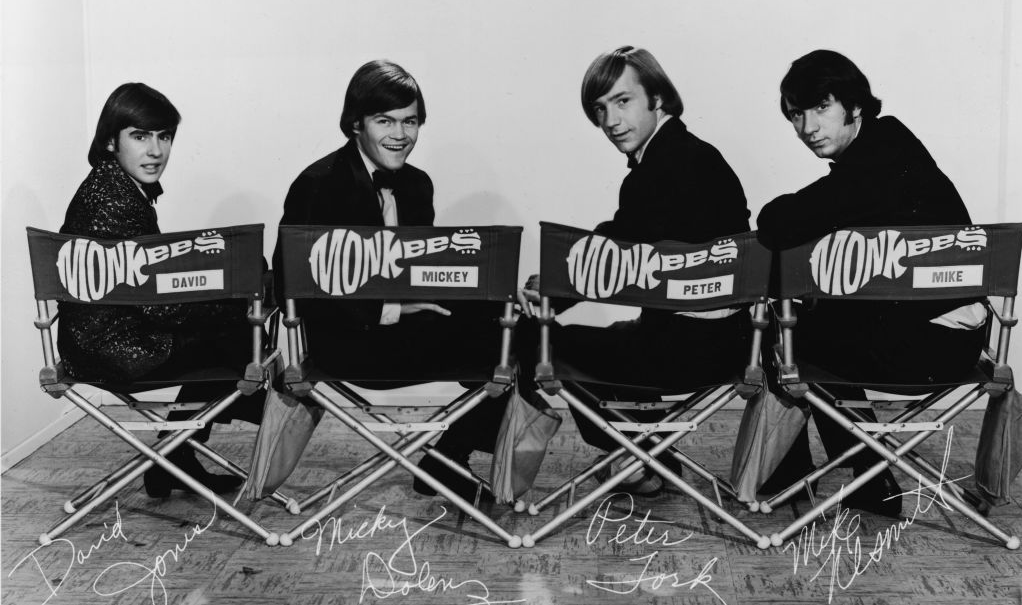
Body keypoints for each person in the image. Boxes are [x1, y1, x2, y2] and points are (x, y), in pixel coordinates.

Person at [756, 49, 987, 517]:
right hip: (938, 334)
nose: (808, 128)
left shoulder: (878, 156)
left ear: (855, 107)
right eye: (798, 115)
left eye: (822, 108)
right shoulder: (884, 150)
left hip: (932, 343)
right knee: (804, 324)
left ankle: (799, 483)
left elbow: (778, 222)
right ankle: (865, 481)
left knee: (785, 334)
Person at [521, 45, 752, 495]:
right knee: (621, 331)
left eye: (622, 101)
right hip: (728, 339)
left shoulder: (660, 170)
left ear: (658, 98)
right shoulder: (693, 154)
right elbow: (623, 243)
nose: (610, 121)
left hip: (689, 350)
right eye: (600, 108)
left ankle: (636, 456)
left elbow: (615, 249)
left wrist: (551, 291)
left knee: (534, 340)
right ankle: (646, 457)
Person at [272, 60, 508, 499]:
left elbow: (416, 271)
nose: (400, 134)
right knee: (507, 343)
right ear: (356, 124)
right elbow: (290, 282)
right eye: (385, 121)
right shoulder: (317, 184)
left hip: (403, 333)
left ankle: (448, 455)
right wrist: (391, 309)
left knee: (516, 331)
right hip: (344, 343)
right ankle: (446, 461)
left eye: (410, 121)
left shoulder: (418, 185)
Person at [58, 82, 259, 498]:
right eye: (140, 136)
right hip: (114, 347)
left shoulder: (114, 185)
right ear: (112, 140)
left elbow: (152, 281)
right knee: (239, 330)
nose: (155, 150)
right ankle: (178, 451)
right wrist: (227, 304)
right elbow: (157, 307)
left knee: (233, 320)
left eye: (163, 137)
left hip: (107, 335)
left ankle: (176, 454)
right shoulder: (114, 199)